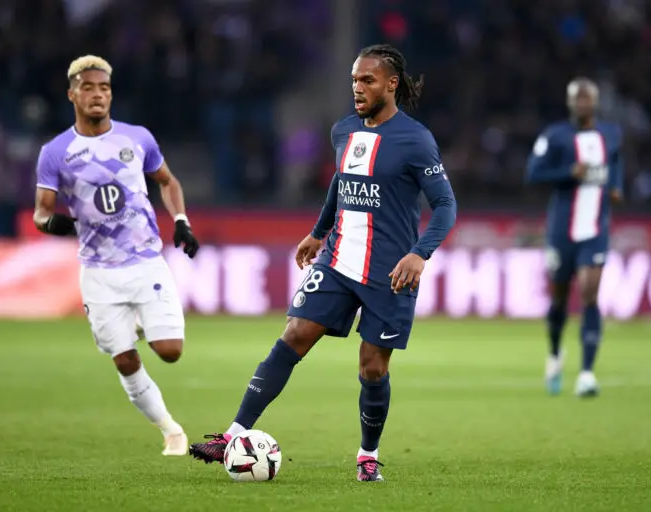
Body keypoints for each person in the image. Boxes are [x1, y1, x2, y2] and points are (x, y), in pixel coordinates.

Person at [189, 44, 457, 481]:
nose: (358, 88)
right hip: (337, 260)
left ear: (391, 84)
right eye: (354, 80)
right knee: (294, 334)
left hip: (389, 271)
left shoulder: (416, 140)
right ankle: (232, 435)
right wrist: (319, 231)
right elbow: (340, 182)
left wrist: (419, 252)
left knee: (373, 367)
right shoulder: (343, 131)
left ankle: (367, 455)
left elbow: (445, 204)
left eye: (368, 80)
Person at [33, 55, 200, 454]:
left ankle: (139, 324)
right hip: (99, 272)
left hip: (145, 262)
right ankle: (170, 430)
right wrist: (56, 224)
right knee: (124, 360)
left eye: (104, 88)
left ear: (111, 94)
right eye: (88, 88)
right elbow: (41, 212)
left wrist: (181, 220)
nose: (97, 95)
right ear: (72, 94)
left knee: (170, 352)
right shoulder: (55, 152)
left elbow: (167, 181)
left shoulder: (136, 138)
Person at [525, 78, 624, 397]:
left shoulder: (611, 134)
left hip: (594, 230)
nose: (582, 104)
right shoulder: (555, 135)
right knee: (559, 299)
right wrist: (568, 172)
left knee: (590, 294)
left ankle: (586, 373)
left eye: (587, 99)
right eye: (577, 99)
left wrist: (617, 185)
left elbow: (616, 161)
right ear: (570, 103)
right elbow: (533, 173)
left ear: (595, 102)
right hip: (561, 231)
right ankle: (555, 354)